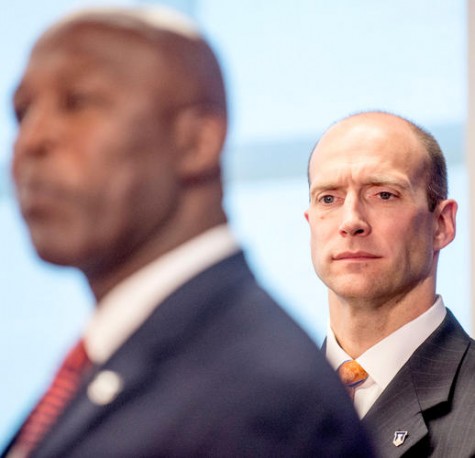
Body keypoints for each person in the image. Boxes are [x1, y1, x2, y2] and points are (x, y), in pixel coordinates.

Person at [2, 6, 375, 458]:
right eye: (22, 113)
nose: (30, 141)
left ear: (196, 142)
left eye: (78, 102)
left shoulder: (260, 398)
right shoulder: (115, 361)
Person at [304, 110, 475, 457]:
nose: (351, 221)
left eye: (383, 194)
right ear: (310, 223)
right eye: (328, 199)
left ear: (441, 224)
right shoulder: (261, 406)